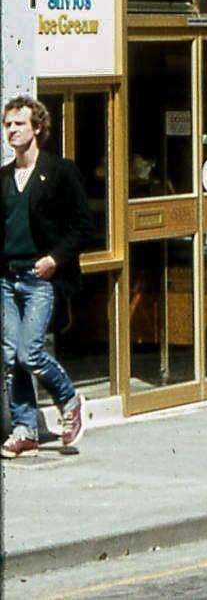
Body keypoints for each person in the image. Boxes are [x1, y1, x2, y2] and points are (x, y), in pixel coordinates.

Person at [2, 96, 92, 458]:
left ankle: (69, 401)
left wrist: (55, 258)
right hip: (7, 279)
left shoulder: (60, 172)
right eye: (7, 124)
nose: (11, 130)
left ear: (37, 127)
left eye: (19, 124)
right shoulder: (4, 178)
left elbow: (84, 227)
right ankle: (25, 429)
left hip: (40, 278)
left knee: (31, 352)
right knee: (11, 357)